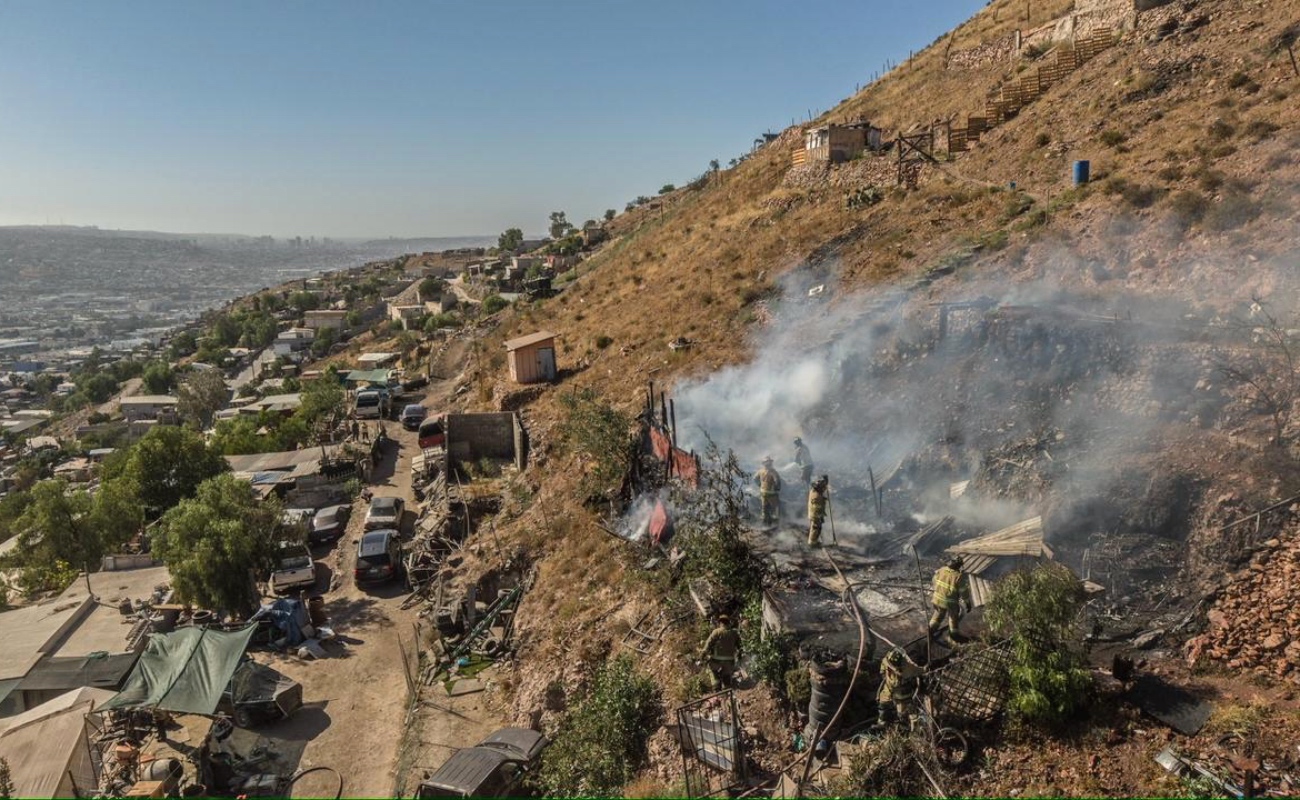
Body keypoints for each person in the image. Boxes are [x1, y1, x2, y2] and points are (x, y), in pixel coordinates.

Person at [928, 555, 973, 643]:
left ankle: (930, 630)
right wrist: (967, 603)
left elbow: (934, 580)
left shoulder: (941, 570)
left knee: (937, 615)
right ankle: (954, 635)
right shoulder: (958, 576)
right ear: (959, 566)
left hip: (937, 600)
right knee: (953, 618)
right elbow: (964, 592)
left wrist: (939, 590)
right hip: (950, 603)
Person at [874, 648, 919, 729]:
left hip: (902, 690)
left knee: (904, 709)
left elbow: (918, 670)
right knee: (883, 703)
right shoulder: (886, 661)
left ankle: (910, 727)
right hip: (889, 687)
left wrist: (926, 668)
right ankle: (882, 723)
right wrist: (886, 677)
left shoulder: (907, 667)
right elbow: (883, 670)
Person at [701, 615, 741, 689]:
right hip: (730, 660)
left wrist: (703, 654)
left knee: (712, 670)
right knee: (726, 674)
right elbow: (740, 646)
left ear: (720, 623)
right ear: (729, 623)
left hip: (716, 660)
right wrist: (739, 656)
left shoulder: (716, 632)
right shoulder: (734, 633)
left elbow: (708, 643)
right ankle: (727, 687)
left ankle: (716, 687)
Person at [755, 456, 782, 526]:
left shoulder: (760, 471)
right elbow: (777, 481)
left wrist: (759, 485)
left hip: (763, 492)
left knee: (764, 507)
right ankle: (776, 523)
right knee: (776, 507)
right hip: (771, 493)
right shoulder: (773, 472)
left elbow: (755, 478)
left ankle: (765, 523)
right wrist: (777, 488)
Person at [807, 475, 829, 547]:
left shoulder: (814, 491)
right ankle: (812, 543)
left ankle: (814, 541)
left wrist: (826, 482)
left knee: (817, 527)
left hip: (816, 513)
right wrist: (820, 515)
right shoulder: (816, 495)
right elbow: (817, 506)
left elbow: (823, 489)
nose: (823, 488)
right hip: (815, 514)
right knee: (815, 527)